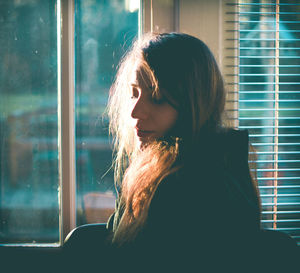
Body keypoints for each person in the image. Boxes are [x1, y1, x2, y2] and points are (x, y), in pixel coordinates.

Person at [102, 32, 298, 272]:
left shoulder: (191, 187)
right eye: (134, 92)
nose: (135, 112)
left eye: (157, 97)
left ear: (193, 103)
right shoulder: (155, 167)